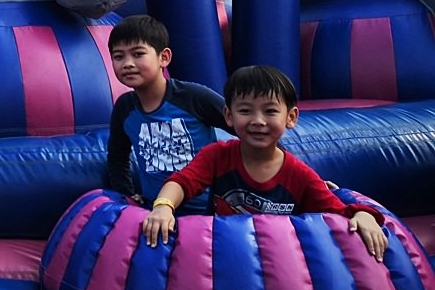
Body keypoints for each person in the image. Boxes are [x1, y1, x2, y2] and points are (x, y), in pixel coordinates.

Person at [142, 64, 388, 262]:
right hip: (227, 251)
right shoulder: (217, 155)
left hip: (280, 259)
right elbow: (183, 181)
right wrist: (164, 206)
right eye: (246, 111)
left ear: (290, 117)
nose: (258, 121)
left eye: (270, 112)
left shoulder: (298, 175)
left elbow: (337, 210)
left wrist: (365, 217)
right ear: (229, 115)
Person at [106, 15, 229, 214]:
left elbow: (244, 126)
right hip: (156, 211)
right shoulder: (124, 107)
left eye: (138, 54)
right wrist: (126, 195)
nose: (127, 63)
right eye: (119, 56)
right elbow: (117, 158)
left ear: (164, 57)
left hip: (206, 212)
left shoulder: (192, 97)